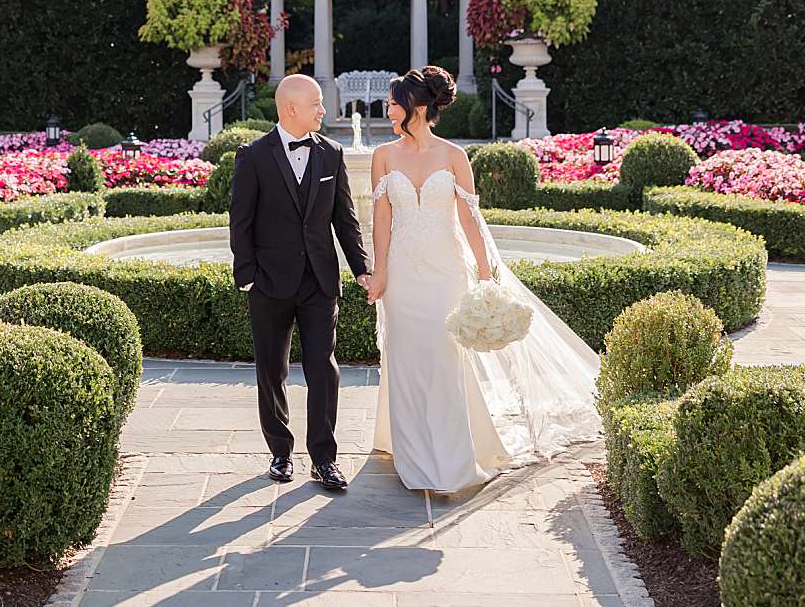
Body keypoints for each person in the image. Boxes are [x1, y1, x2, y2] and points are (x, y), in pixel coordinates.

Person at [367, 66, 601, 493]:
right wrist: (380, 272)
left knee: (442, 359)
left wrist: (486, 273)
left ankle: (453, 458)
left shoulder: (455, 156)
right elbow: (381, 219)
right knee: (405, 358)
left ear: (416, 108)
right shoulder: (383, 155)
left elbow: (470, 220)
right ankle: (411, 451)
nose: (388, 108)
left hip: (445, 272)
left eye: (394, 101)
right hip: (402, 273)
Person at [229, 75, 371, 491]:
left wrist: (360, 267)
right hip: (269, 284)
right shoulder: (253, 156)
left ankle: (324, 459)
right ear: (290, 108)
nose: (323, 110)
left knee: (323, 370)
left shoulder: (332, 154)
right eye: (316, 103)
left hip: (319, 284)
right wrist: (247, 276)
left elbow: (345, 219)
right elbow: (241, 222)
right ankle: (280, 451)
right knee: (271, 371)